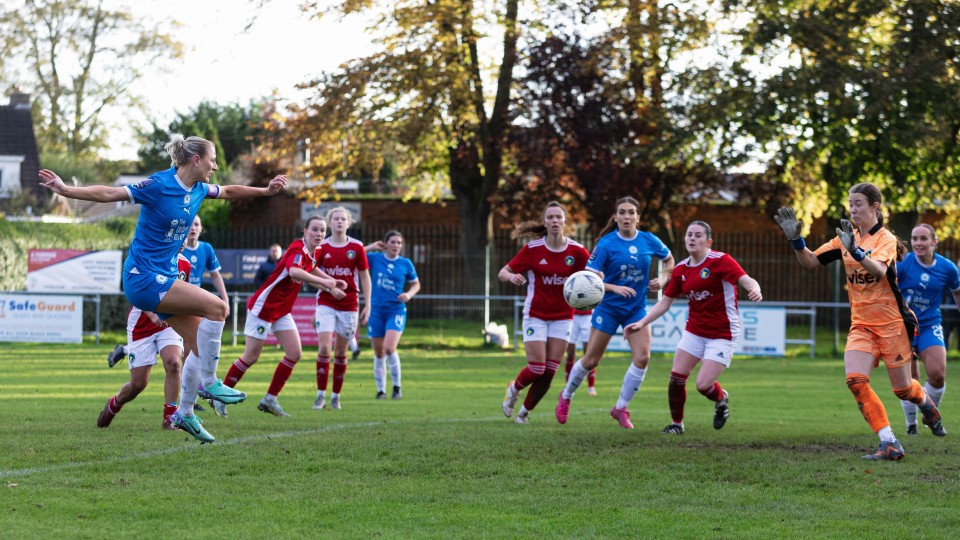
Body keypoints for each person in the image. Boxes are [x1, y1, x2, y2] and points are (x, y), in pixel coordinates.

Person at [39, 133, 287, 444]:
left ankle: (183, 413)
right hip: (142, 278)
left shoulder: (198, 188)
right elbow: (109, 193)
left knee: (198, 346)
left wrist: (265, 191)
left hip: (164, 278)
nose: (215, 166)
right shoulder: (158, 184)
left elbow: (229, 190)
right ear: (196, 160)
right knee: (219, 308)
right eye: (212, 160)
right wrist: (66, 190)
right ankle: (210, 383)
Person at [774, 182, 945, 461]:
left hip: (892, 324)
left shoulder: (885, 239)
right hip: (861, 324)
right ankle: (889, 442)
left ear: (874, 206)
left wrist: (855, 252)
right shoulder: (844, 237)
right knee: (855, 380)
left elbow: (878, 270)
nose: (852, 209)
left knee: (903, 389)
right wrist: (796, 241)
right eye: (850, 204)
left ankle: (926, 402)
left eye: (858, 204)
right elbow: (810, 262)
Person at [624, 221, 762, 434]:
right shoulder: (681, 269)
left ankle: (721, 398)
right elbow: (665, 302)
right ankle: (677, 425)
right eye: (689, 235)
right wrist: (642, 323)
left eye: (698, 235)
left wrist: (755, 290)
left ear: (708, 242)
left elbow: (747, 280)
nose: (692, 239)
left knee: (703, 385)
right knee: (676, 377)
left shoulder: (720, 261)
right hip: (695, 331)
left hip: (723, 333)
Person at [555, 196, 675, 428]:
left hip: (636, 310)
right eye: (622, 212)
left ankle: (620, 407)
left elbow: (669, 260)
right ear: (616, 217)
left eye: (631, 212)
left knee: (642, 357)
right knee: (591, 360)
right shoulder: (607, 244)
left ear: (638, 217)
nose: (627, 217)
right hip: (608, 308)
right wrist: (613, 287)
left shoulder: (649, 240)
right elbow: (588, 279)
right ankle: (566, 396)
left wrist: (663, 278)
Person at [216, 216, 346, 417]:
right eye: (315, 230)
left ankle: (270, 400)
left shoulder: (316, 252)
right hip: (264, 308)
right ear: (305, 231)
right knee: (251, 356)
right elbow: (295, 270)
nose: (319, 234)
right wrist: (327, 283)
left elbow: (309, 270)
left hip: (281, 311)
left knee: (294, 353)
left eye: (322, 230)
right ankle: (219, 396)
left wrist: (331, 283)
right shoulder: (297, 249)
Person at [499, 202, 591, 424]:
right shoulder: (533, 249)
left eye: (559, 217)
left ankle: (523, 413)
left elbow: (593, 277)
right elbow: (503, 272)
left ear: (565, 221)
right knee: (537, 367)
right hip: (535, 315)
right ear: (545, 222)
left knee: (549, 371)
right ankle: (514, 388)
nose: (555, 221)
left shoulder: (577, 251)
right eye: (550, 217)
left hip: (563, 317)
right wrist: (512, 277)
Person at [98, 244, 192, 430]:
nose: (184, 240)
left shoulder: (185, 265)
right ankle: (114, 404)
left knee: (174, 363)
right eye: (182, 234)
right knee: (138, 384)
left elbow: (185, 295)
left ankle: (170, 419)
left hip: (169, 323)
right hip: (141, 324)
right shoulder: (151, 258)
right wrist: (152, 315)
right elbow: (137, 291)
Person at [896, 224, 960, 435]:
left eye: (923, 239)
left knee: (938, 374)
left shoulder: (947, 268)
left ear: (934, 242)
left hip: (930, 324)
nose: (918, 243)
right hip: (904, 326)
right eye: (914, 239)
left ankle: (931, 414)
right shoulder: (903, 263)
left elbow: (957, 291)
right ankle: (911, 425)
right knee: (910, 378)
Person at [313, 206, 371, 410]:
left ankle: (336, 396)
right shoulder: (322, 248)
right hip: (326, 302)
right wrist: (329, 288)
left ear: (348, 223)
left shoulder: (357, 247)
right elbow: (311, 275)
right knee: (324, 348)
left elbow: (364, 276)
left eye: (343, 219)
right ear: (330, 222)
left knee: (340, 352)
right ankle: (320, 395)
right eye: (335, 218)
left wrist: (368, 305)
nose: (339, 222)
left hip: (349, 305)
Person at [364, 230, 421, 400]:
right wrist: (372, 247)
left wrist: (408, 295)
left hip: (395, 310)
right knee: (379, 352)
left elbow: (416, 284)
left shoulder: (405, 263)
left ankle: (397, 387)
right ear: (386, 244)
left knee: (389, 348)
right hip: (376, 310)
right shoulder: (375, 258)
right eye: (393, 242)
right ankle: (381, 390)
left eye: (399, 243)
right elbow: (353, 254)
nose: (396, 246)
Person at [183, 215, 230, 316]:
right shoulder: (177, 248)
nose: (193, 228)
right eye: (189, 224)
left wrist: (225, 299)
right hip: (179, 295)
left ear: (201, 229)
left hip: (195, 296)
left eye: (196, 224)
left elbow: (215, 275)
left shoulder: (206, 248)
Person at [564, 308, 597, 396]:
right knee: (570, 354)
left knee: (588, 354)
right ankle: (568, 386)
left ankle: (591, 386)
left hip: (588, 316)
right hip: (572, 316)